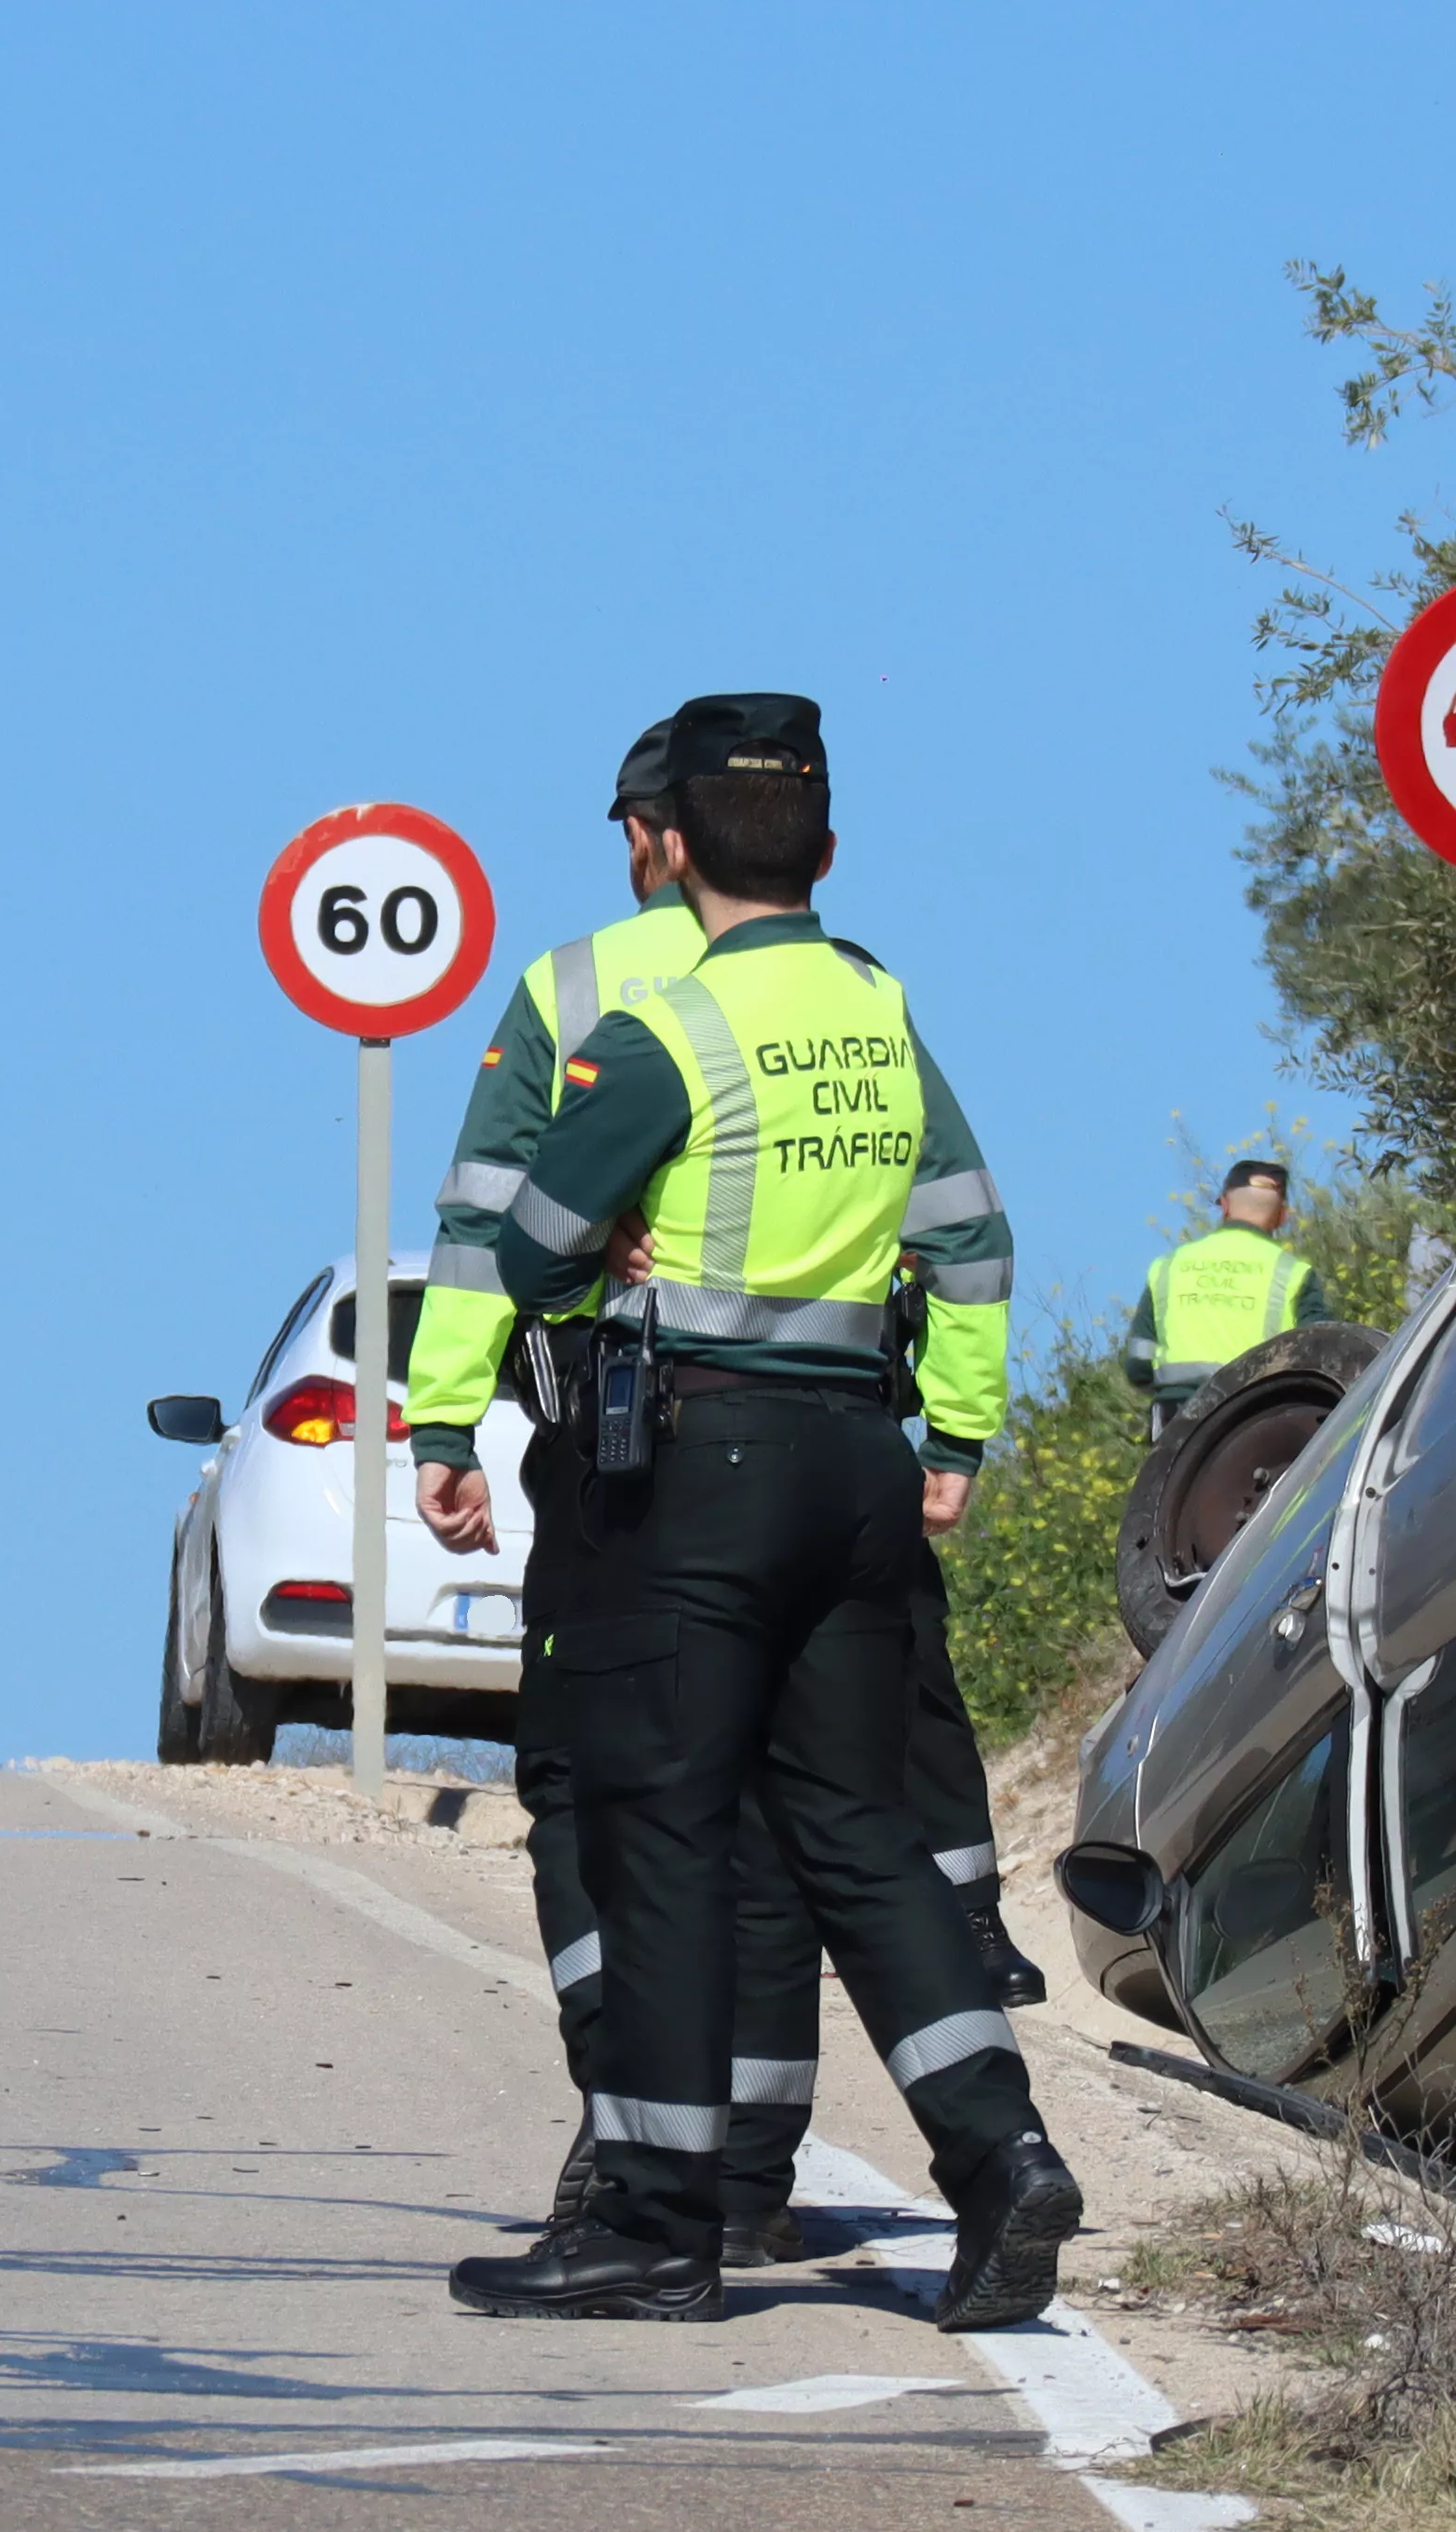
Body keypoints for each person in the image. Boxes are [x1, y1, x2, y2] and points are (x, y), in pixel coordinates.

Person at [410, 694, 1081, 2329]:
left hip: (694, 1469)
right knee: (856, 1834)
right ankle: (1002, 2158)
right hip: (858, 1466)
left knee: (662, 1828)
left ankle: (654, 2223)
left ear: (676, 852)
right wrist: (960, 1439)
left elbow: (533, 1240)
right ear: (828, 852)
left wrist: (595, 1252)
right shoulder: (879, 1014)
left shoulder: (664, 1029)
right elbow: (976, 1243)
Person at [1132, 1158, 1320, 1420]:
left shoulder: (1168, 1267)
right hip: (1259, 1415)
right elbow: (1320, 1357)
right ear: (1283, 1216)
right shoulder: (1294, 1274)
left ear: (1225, 1205)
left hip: (1176, 1416)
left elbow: (1137, 1363)